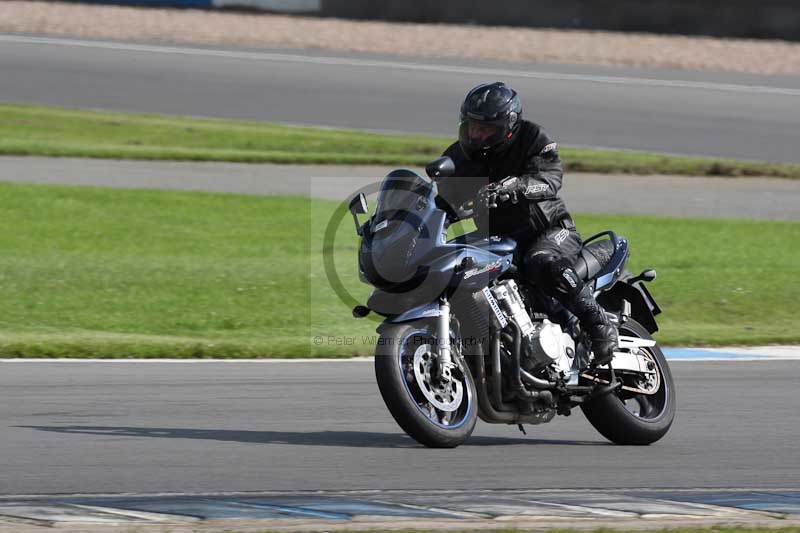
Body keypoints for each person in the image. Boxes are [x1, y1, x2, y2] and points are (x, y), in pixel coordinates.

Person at [434, 81, 617, 366]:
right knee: (455, 269)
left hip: (549, 231)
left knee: (540, 259)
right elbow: (443, 204)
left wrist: (516, 187)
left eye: (487, 129)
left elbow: (549, 179)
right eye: (473, 127)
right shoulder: (457, 157)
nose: (478, 135)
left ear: (508, 126)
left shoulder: (532, 138)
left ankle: (599, 324)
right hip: (498, 241)